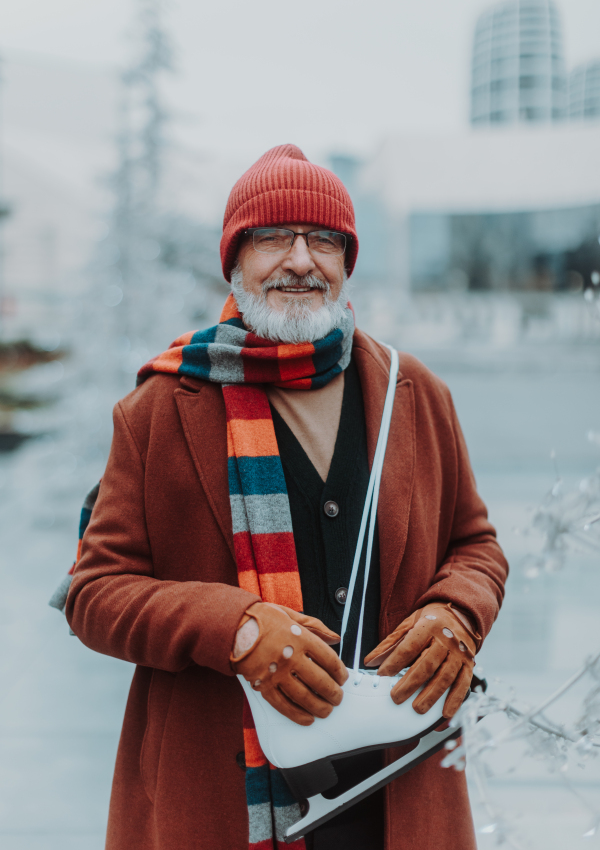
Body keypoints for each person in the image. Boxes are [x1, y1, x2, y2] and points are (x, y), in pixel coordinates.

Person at [67, 144, 508, 850]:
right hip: (223, 796)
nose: (300, 260)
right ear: (235, 261)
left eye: (324, 241)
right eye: (273, 237)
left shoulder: (413, 392)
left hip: (400, 787)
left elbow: (476, 545)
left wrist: (459, 612)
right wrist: (235, 629)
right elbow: (93, 593)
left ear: (346, 263)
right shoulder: (158, 408)